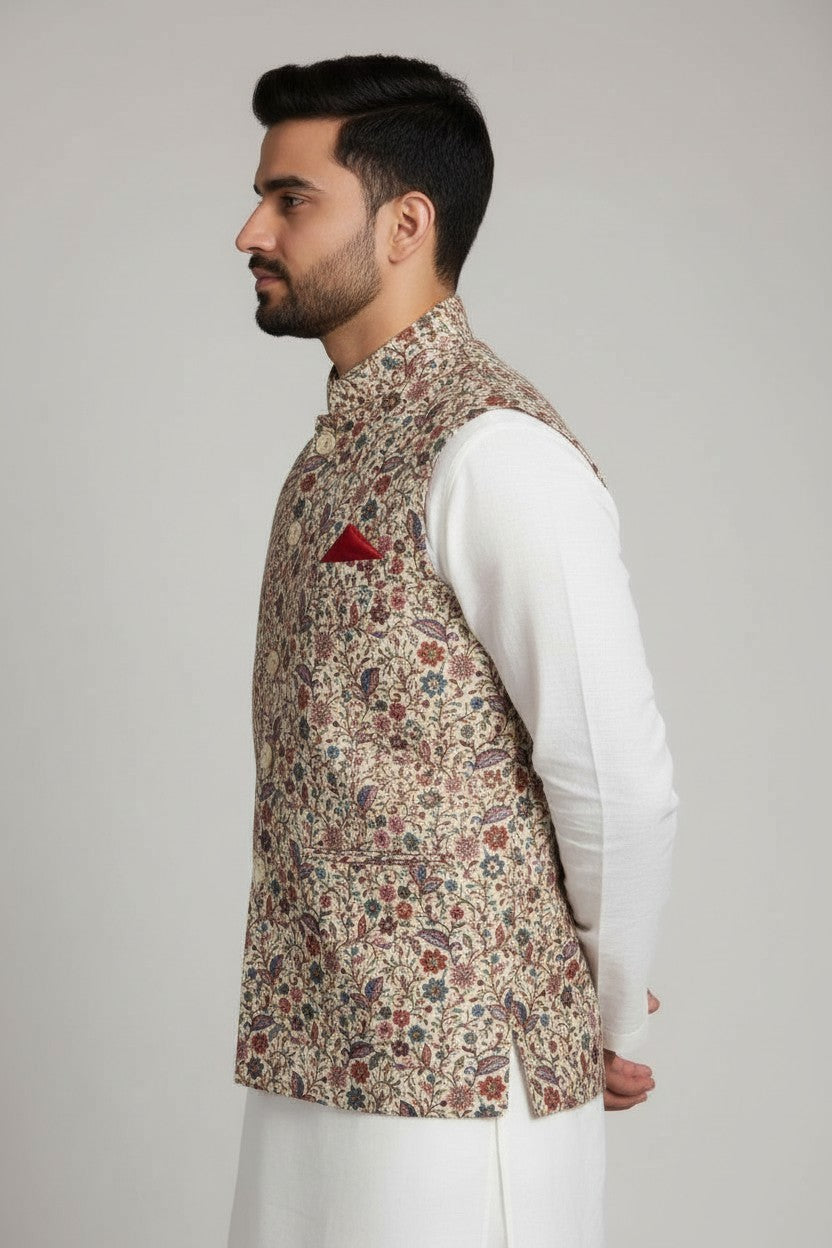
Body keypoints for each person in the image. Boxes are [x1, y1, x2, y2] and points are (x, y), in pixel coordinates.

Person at [227, 53, 678, 1248]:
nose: (250, 232)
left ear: (404, 225)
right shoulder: (339, 451)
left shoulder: (495, 452)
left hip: (465, 1086)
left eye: (290, 198)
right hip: (315, 1049)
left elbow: (612, 773)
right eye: (261, 197)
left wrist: (610, 1010)